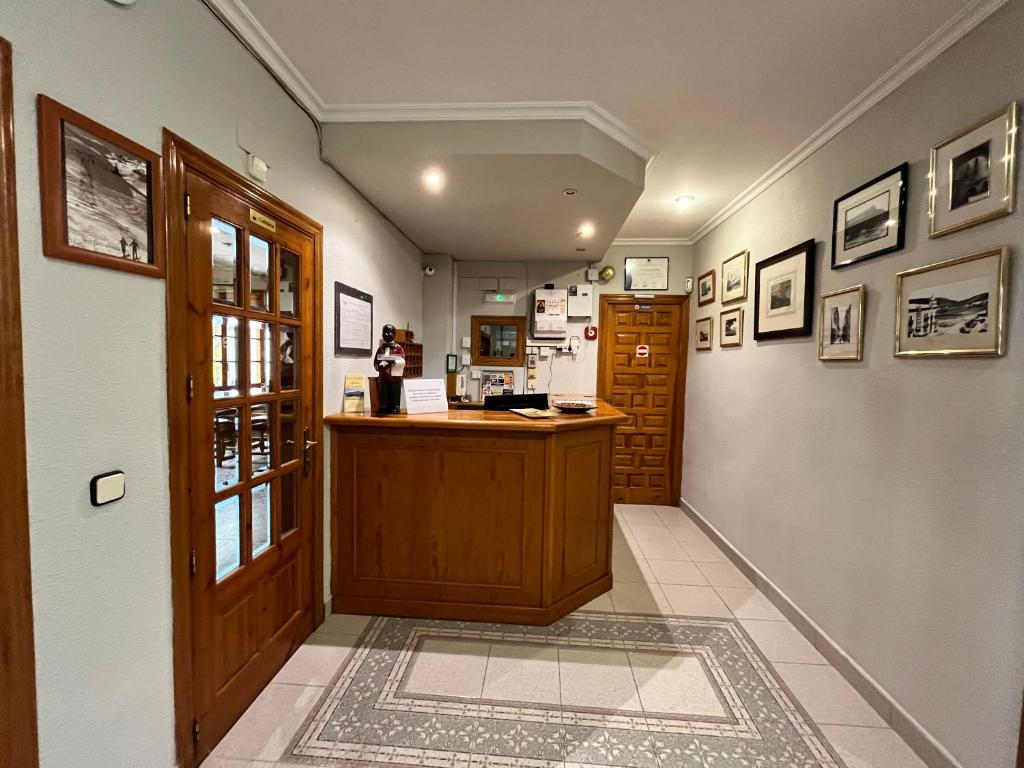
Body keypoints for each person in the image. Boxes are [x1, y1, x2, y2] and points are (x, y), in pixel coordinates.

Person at [373, 324, 405, 415]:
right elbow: (376, 360)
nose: (386, 334)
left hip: (394, 377)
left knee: (394, 392)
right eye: (384, 332)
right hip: (383, 377)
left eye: (389, 332)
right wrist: (377, 366)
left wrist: (394, 362)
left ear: (394, 334)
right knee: (384, 392)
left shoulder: (398, 348)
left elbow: (403, 360)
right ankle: (384, 406)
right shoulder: (381, 348)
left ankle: (395, 406)